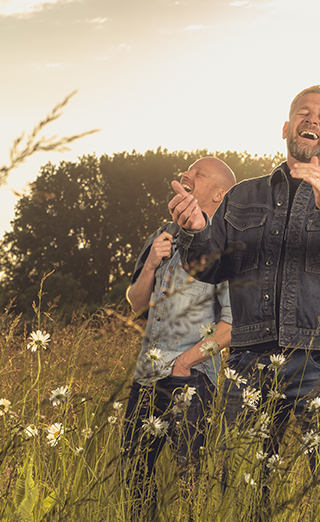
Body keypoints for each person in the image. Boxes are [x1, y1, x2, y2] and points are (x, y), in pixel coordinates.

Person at [170, 86, 320, 520]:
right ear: (285, 127)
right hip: (250, 360)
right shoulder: (244, 196)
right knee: (241, 493)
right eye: (302, 112)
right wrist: (193, 229)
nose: (311, 119)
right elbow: (206, 268)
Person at [121, 157, 235, 519]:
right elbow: (137, 303)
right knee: (133, 472)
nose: (186, 177)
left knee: (191, 478)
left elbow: (230, 326)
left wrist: (184, 363)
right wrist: (152, 264)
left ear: (218, 194)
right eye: (186, 171)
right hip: (146, 377)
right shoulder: (162, 235)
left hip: (192, 380)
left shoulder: (226, 246)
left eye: (197, 175)